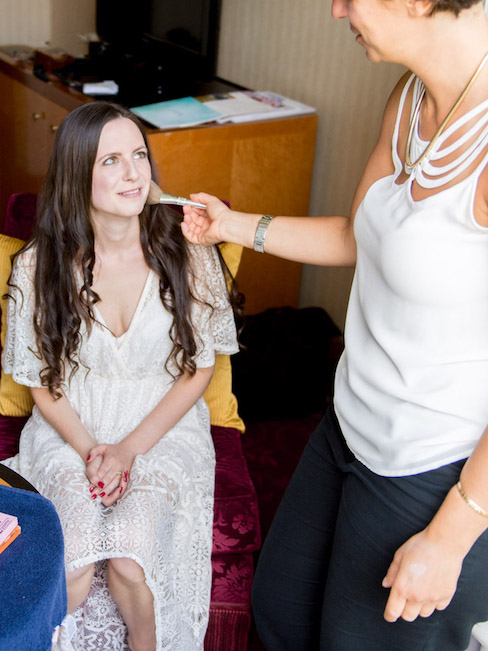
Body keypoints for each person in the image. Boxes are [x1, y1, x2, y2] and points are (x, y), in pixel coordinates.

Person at [181, 0, 488, 648]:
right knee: (281, 606)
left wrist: (454, 530)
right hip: (348, 425)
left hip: (432, 467)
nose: (336, 8)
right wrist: (231, 226)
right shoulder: (409, 99)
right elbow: (358, 234)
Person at [1, 101, 240, 649]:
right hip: (73, 422)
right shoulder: (39, 265)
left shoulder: (188, 250)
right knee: (77, 555)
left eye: (139, 155)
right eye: (111, 161)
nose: (134, 173)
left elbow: (198, 369)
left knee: (131, 559)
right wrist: (90, 450)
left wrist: (129, 449)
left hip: (162, 422)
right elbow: (42, 380)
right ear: (77, 174)